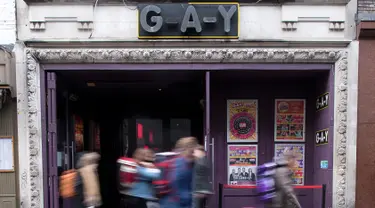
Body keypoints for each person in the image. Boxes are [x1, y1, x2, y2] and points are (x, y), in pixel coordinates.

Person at [159, 136, 198, 208]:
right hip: (175, 202)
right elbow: (174, 180)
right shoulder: (180, 162)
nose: (193, 150)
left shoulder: (190, 162)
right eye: (191, 146)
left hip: (181, 201)